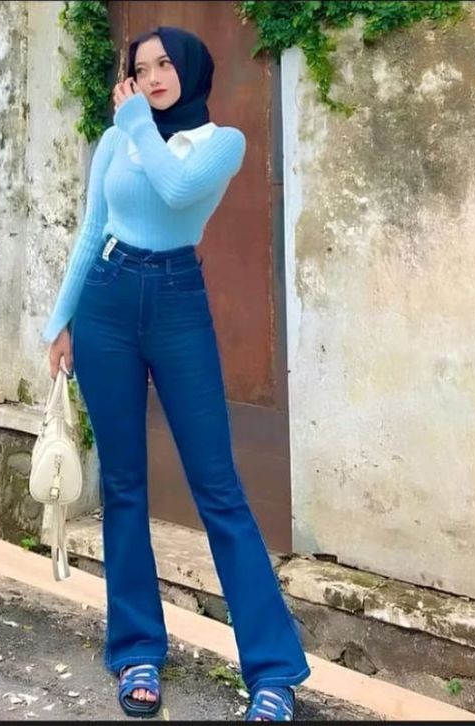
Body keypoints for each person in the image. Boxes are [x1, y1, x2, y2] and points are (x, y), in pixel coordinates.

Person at [44, 26, 310, 722]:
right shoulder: (115, 141)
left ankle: (274, 672)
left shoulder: (221, 143)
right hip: (105, 303)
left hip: (176, 304)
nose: (154, 76)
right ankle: (136, 651)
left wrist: (135, 119)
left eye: (165, 64)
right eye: (141, 68)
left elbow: (175, 190)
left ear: (189, 68)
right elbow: (92, 226)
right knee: (124, 485)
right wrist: (59, 322)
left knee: (217, 487)